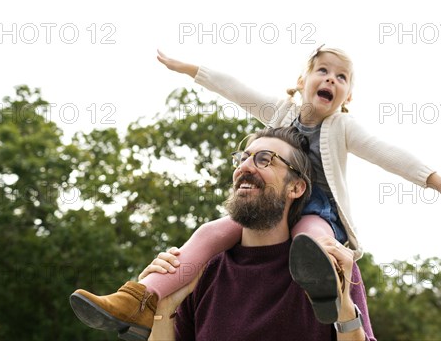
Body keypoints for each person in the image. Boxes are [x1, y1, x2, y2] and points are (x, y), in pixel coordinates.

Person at [70, 45, 441, 337]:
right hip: (278, 209)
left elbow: (390, 154)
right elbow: (236, 89)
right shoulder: (278, 112)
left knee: (313, 240)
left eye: (341, 78)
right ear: (302, 81)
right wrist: (191, 69)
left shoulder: (342, 128)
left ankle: (321, 290)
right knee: (210, 234)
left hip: (318, 211)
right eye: (323, 71)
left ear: (347, 97)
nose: (330, 80)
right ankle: (139, 300)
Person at [73, 127, 376, 340]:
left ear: (296, 187)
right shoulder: (203, 271)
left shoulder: (328, 267)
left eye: (264, 159)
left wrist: (344, 307)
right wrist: (164, 307)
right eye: (243, 158)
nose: (246, 167)